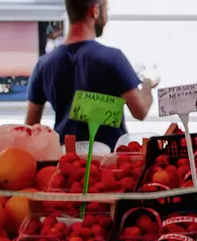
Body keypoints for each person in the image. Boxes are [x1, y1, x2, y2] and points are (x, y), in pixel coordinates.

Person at [25, 0, 157, 151]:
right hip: (109, 163)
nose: (106, 18)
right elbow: (140, 111)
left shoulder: (44, 64)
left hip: (67, 162)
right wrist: (148, 83)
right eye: (106, 10)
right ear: (95, 11)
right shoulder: (112, 58)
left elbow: (30, 128)